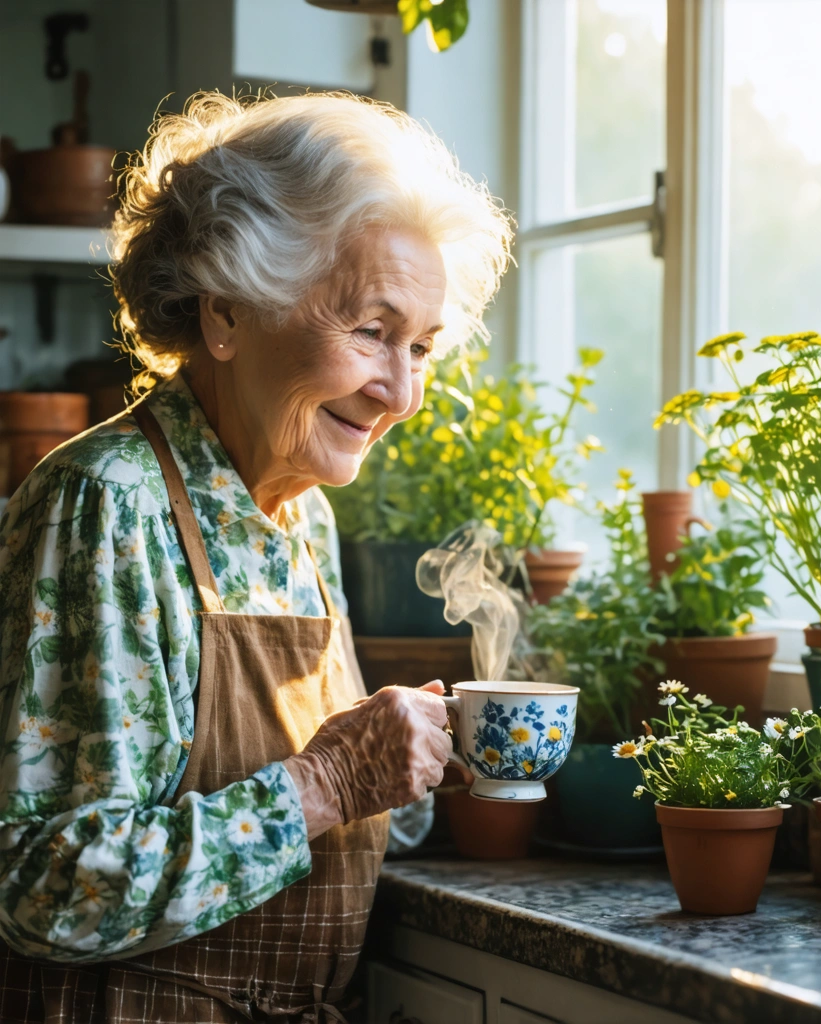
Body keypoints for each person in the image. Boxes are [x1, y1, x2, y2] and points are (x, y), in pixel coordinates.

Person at [0, 91, 512, 1022]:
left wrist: (427, 762)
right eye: (370, 331)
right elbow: (45, 891)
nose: (400, 393)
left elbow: (320, 809)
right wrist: (328, 781)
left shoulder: (301, 514)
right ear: (228, 312)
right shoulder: (109, 504)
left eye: (424, 348)